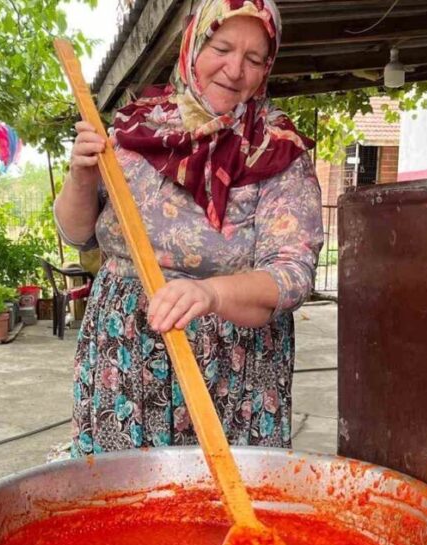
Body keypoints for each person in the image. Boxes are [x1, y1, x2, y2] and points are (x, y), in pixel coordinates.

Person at [54, 0, 323, 456]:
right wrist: (81, 177)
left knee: (225, 504)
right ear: (194, 44)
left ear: (266, 68)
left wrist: (211, 294)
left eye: (254, 59)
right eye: (221, 47)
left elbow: (293, 275)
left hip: (234, 360)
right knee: (126, 500)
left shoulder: (278, 151)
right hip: (127, 349)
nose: (235, 69)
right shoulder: (134, 131)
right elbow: (77, 235)